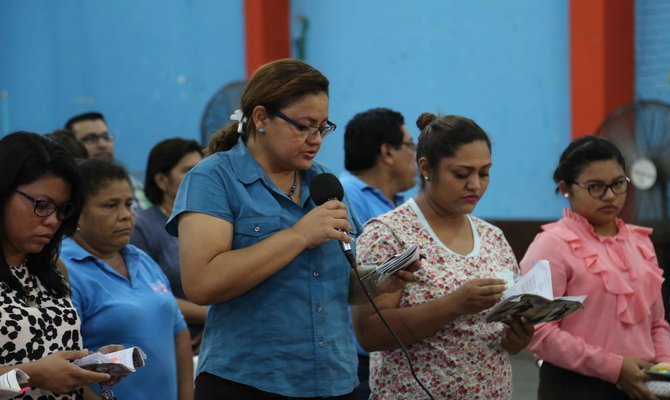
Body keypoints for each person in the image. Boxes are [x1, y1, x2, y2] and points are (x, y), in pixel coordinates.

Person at [165, 58, 416, 399]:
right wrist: (299, 235)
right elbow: (202, 283)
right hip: (248, 382)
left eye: (323, 127)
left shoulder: (324, 183)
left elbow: (337, 284)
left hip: (333, 380)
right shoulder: (213, 179)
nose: (315, 139)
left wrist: (375, 281)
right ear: (261, 118)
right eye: (304, 126)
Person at [352, 113, 534, 399]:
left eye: (484, 173)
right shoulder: (389, 234)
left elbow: (499, 334)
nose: (475, 185)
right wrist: (455, 304)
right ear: (426, 168)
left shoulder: (492, 237)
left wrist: (516, 339)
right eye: (462, 174)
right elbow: (370, 333)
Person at [522, 136, 670, 400]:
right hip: (575, 388)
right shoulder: (551, 245)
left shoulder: (640, 243)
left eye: (618, 184)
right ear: (565, 188)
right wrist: (614, 368)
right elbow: (540, 332)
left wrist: (668, 371)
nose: (610, 196)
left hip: (642, 386)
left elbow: (657, 323)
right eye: (595, 187)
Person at [61, 158, 193, 400]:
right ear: (77, 214)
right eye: (111, 206)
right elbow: (64, 369)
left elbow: (179, 333)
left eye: (129, 204)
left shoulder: (139, 258)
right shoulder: (65, 269)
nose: (126, 215)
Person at [0, 132, 113, 399]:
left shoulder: (53, 270)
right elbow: (39, 375)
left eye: (62, 209)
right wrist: (33, 375)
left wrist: (88, 367)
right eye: (41, 205)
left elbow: (61, 377)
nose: (52, 221)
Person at [340, 107, 418, 399]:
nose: (416, 157)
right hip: (359, 360)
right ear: (387, 152)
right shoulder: (346, 196)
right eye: (410, 146)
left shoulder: (400, 204)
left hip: (398, 353)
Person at [131, 137, 206, 351]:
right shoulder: (142, 226)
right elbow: (149, 293)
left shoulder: (210, 222)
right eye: (189, 170)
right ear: (162, 180)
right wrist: (212, 317)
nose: (201, 177)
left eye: (203, 168)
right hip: (168, 343)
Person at [64, 112, 150, 209]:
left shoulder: (130, 182)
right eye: (91, 138)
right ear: (73, 145)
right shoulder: (67, 189)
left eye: (106, 137)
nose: (103, 144)